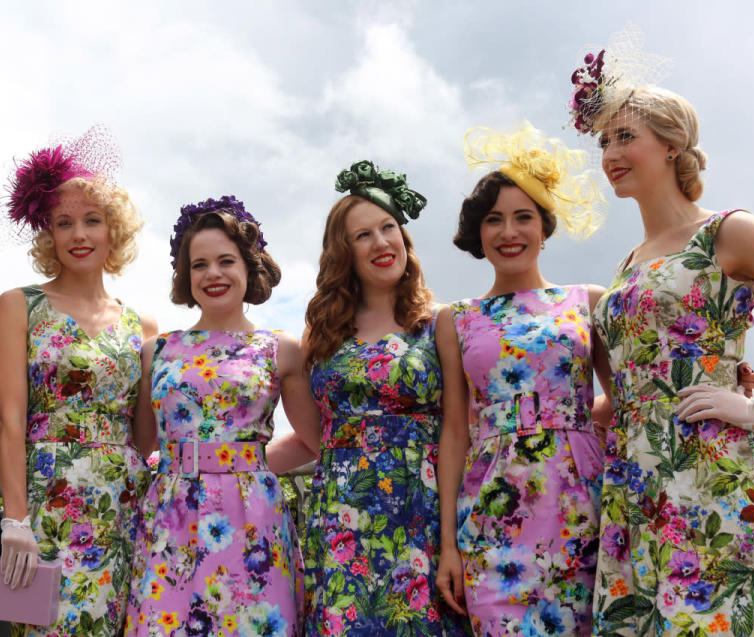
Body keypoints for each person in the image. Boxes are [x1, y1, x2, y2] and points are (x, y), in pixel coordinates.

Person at [569, 45, 754, 636]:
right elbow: (637, 382)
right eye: (602, 143)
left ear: (671, 144)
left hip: (717, 476)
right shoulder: (628, 264)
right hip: (635, 486)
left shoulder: (728, 231)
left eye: (624, 137)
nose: (610, 155)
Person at [434, 125, 608, 636]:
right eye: (494, 220)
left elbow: (628, 400)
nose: (509, 232)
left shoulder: (589, 302)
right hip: (492, 503)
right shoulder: (456, 319)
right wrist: (448, 543)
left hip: (580, 498)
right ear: (478, 232)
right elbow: (453, 433)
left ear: (545, 227)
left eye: (523, 217)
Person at [123, 196, 317, 636]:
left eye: (226, 261)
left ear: (249, 267)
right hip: (169, 514)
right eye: (199, 264)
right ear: (184, 274)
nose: (213, 273)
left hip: (252, 515)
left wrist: (244, 467)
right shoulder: (158, 351)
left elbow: (310, 440)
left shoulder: (281, 349)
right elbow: (141, 443)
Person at [0, 129, 157, 636]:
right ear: (49, 235)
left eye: (92, 220)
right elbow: (10, 419)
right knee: (41, 625)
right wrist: (15, 519)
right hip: (44, 496)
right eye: (64, 223)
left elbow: (144, 435)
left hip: (121, 501)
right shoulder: (19, 305)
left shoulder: (143, 327)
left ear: (114, 232)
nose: (79, 234)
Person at [298, 161, 471, 636]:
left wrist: (451, 542)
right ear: (343, 252)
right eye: (362, 235)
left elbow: (458, 430)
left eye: (387, 227)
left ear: (403, 236)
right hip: (338, 514)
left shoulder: (441, 322)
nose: (380, 243)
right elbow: (311, 435)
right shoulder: (322, 332)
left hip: (420, 511)